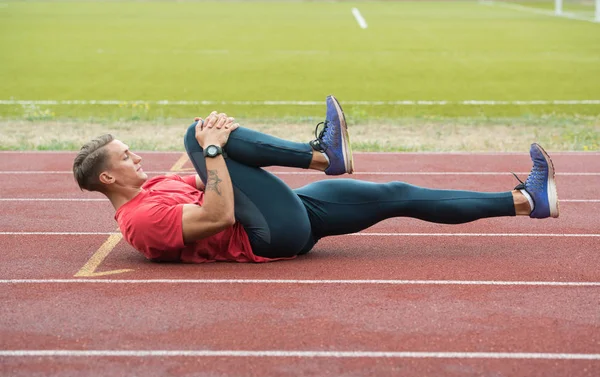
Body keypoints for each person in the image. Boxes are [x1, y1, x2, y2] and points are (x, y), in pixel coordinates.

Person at [72, 96, 559, 263]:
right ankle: (323, 156)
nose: (134, 154)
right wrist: (214, 148)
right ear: (108, 176)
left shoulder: (156, 187)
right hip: (269, 237)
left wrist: (218, 155)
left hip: (285, 214)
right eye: (124, 155)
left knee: (396, 195)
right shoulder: (139, 221)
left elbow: (225, 188)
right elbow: (219, 212)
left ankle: (524, 200)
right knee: (194, 137)